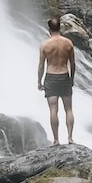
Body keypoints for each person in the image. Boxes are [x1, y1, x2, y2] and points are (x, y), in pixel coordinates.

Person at [36, 16, 76, 145]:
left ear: (49, 29)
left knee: (53, 109)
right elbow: (73, 63)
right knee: (68, 109)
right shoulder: (68, 43)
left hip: (51, 77)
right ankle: (70, 138)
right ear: (60, 27)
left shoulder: (44, 45)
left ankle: (56, 140)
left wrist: (39, 81)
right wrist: (72, 79)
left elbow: (41, 65)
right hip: (64, 76)